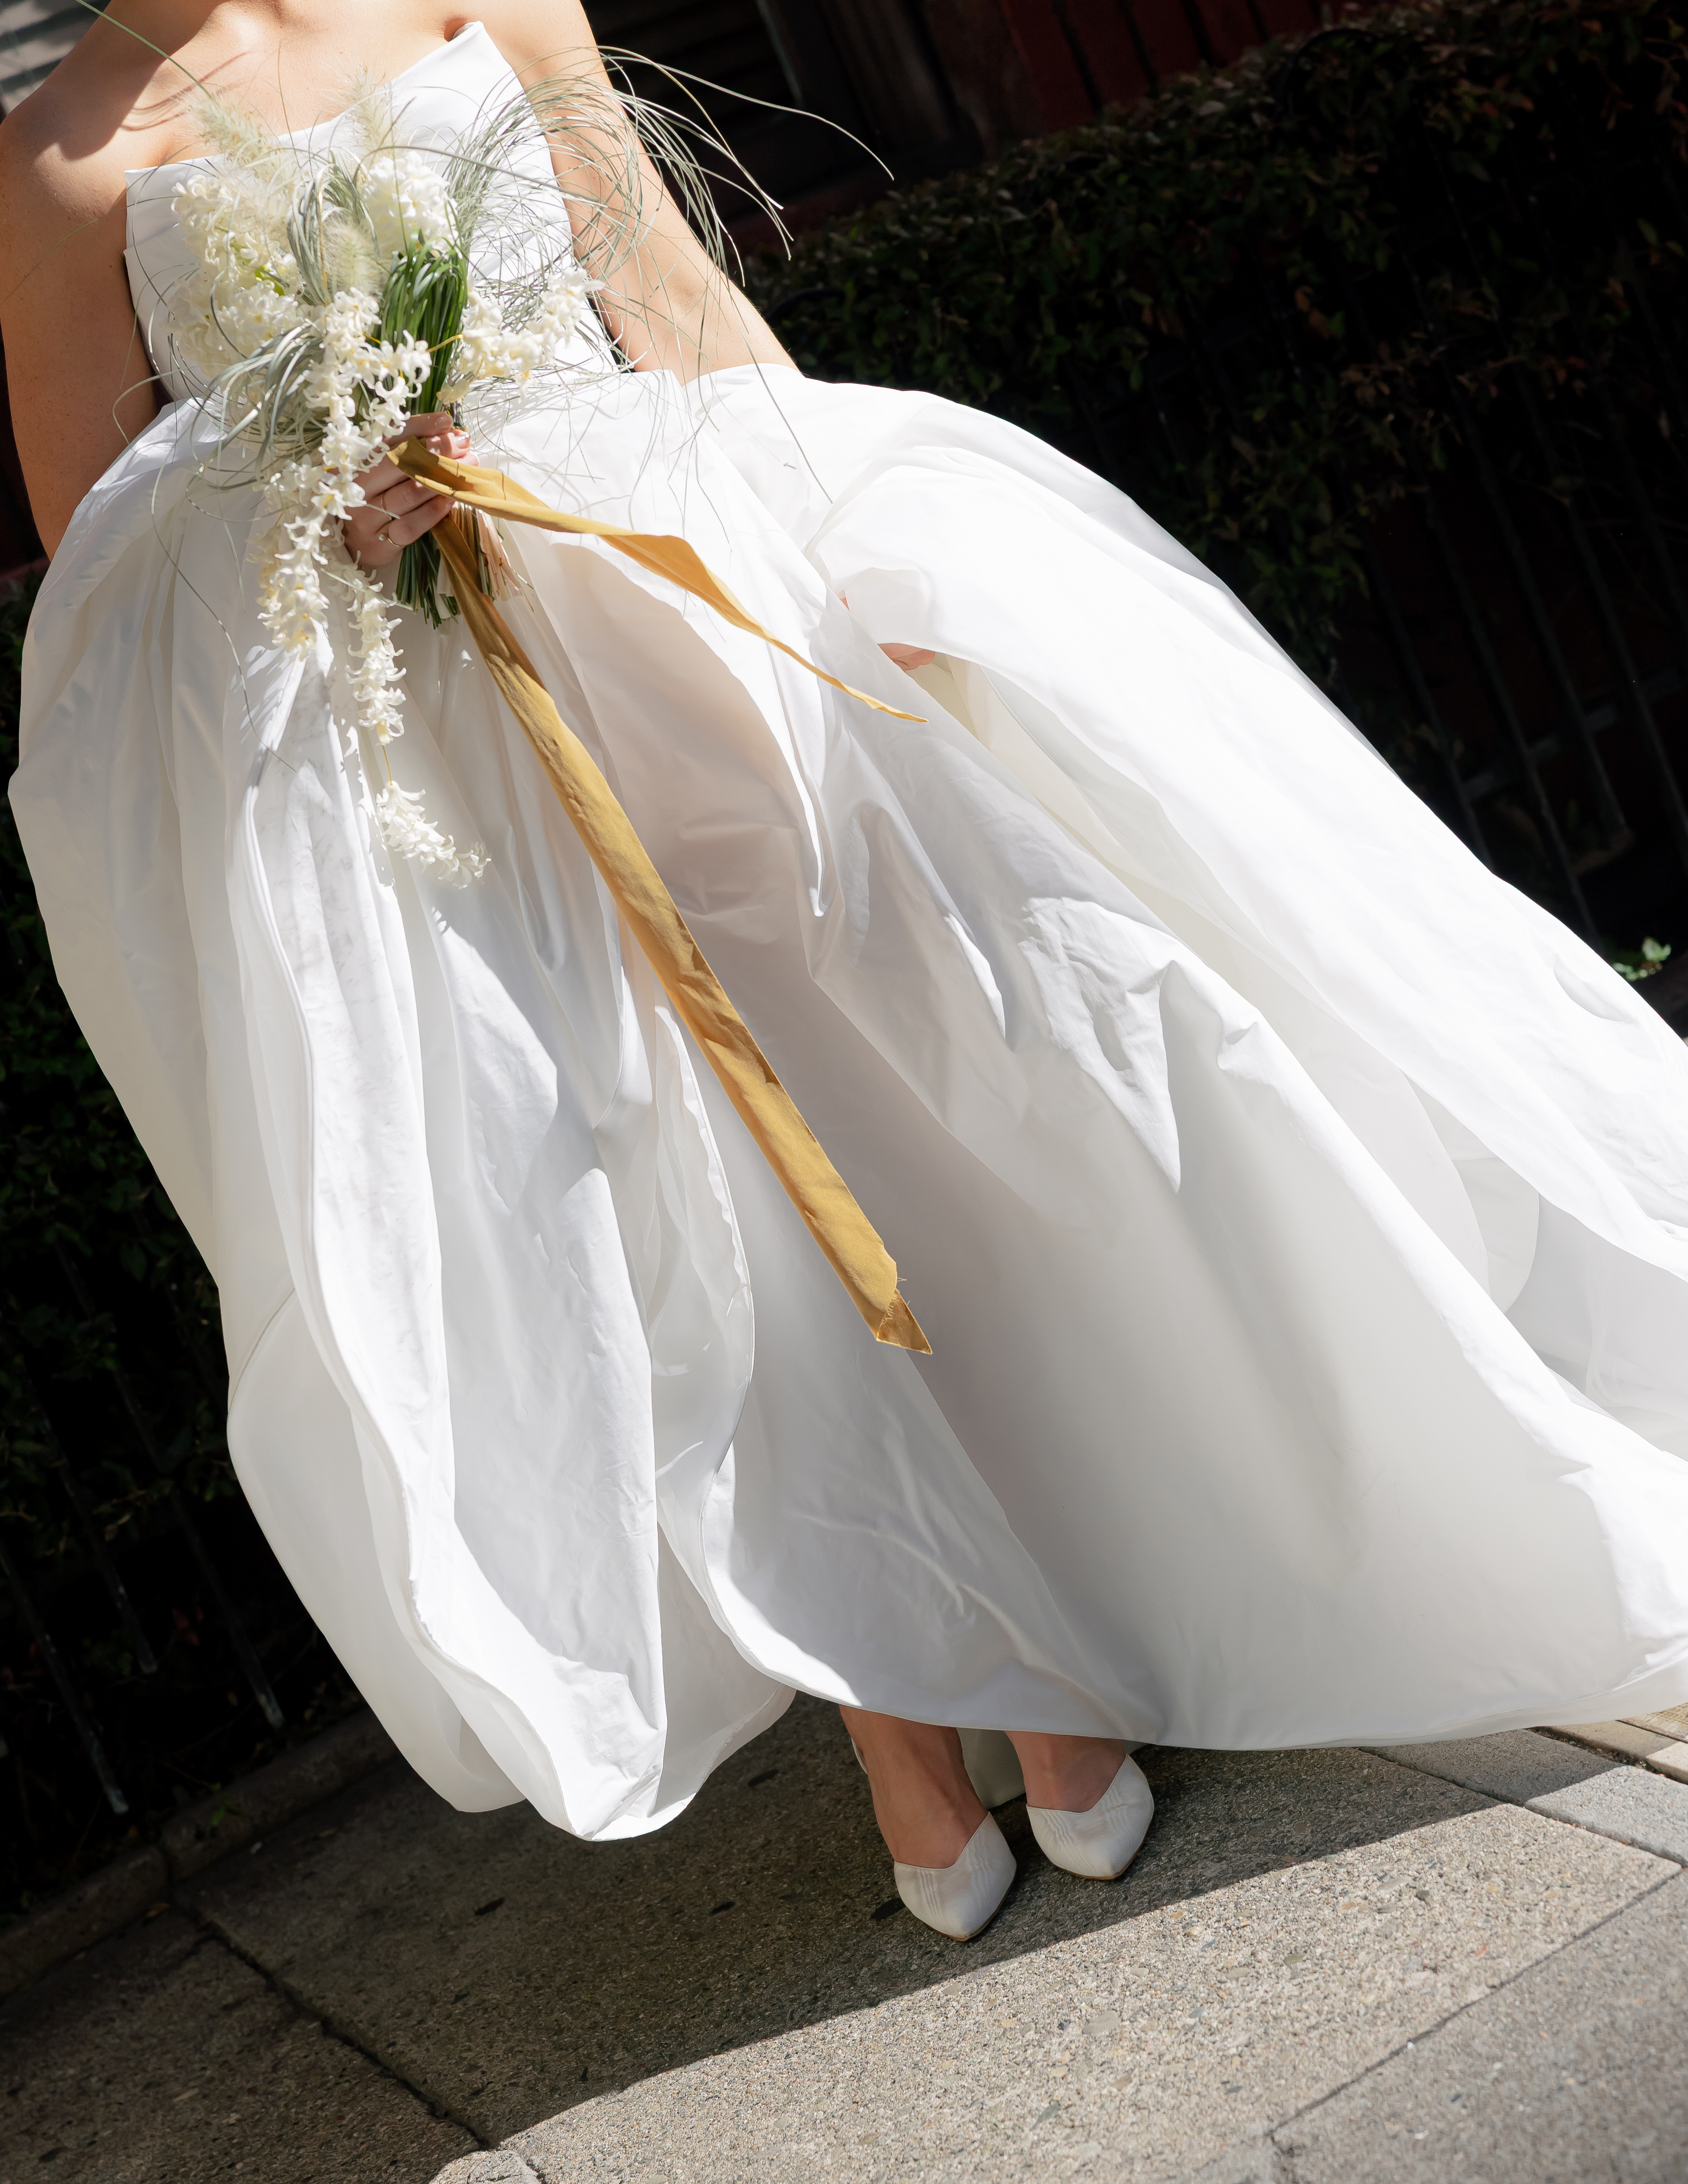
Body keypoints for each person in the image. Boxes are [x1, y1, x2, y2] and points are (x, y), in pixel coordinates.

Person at [7, 3, 1688, 1949]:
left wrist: (845, 568)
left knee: (887, 1092)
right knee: (654, 1199)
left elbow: (662, 282)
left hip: (660, 594)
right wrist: (322, 510)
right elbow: (109, 604)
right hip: (418, 758)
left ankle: (1040, 1647)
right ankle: (903, 1720)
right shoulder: (54, 160)